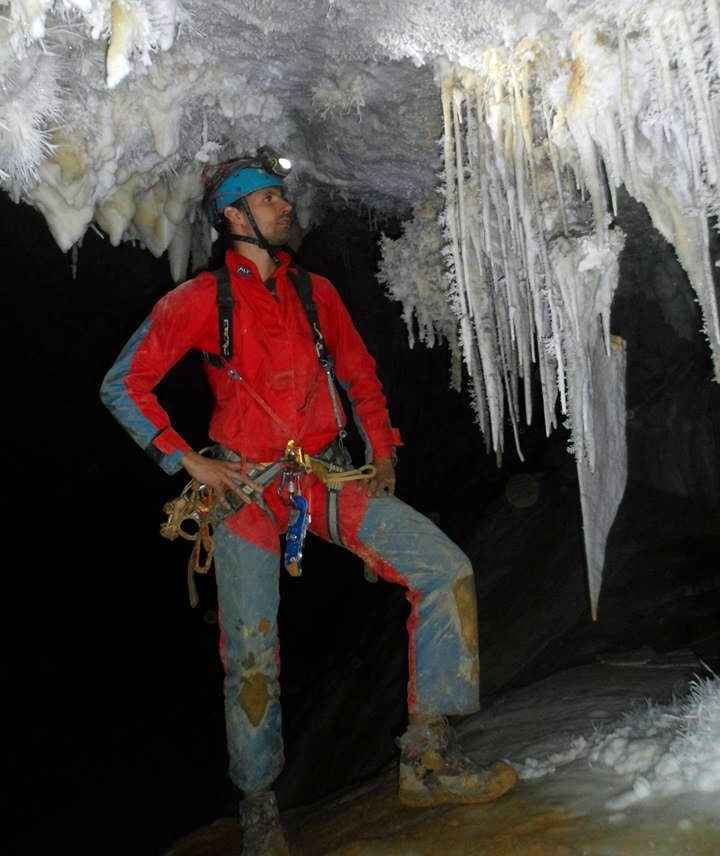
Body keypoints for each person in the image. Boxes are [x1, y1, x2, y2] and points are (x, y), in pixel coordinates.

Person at [100, 149, 517, 854]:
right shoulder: (199, 300)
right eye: (268, 199)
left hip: (325, 477)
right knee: (252, 651)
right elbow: (123, 385)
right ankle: (259, 805)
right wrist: (187, 457)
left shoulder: (315, 292)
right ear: (234, 218)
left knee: (443, 568)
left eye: (281, 196)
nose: (284, 206)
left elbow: (358, 371)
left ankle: (427, 755)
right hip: (246, 491)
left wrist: (382, 448)